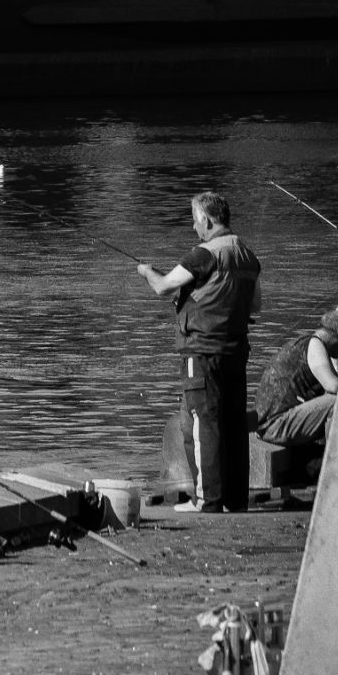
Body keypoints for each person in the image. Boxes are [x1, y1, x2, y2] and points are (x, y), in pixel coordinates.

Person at [137, 191, 261, 514]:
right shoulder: (247, 255)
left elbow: (163, 287)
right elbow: (256, 305)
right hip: (235, 351)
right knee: (233, 424)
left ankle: (208, 500)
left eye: (195, 220)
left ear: (206, 219)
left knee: (201, 421)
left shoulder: (203, 254)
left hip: (202, 353)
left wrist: (147, 271)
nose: (194, 227)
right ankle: (234, 501)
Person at [252, 298, 338, 447]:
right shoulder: (315, 345)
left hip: (267, 424)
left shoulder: (303, 341)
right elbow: (333, 387)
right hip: (275, 426)